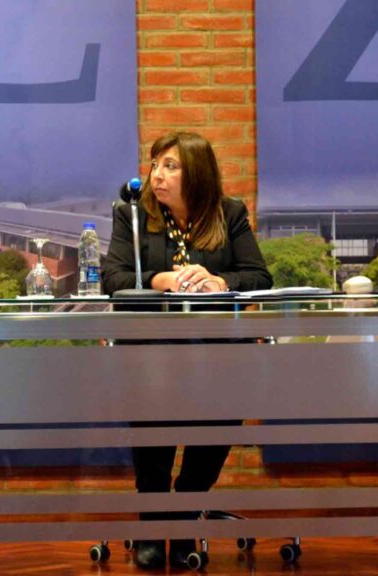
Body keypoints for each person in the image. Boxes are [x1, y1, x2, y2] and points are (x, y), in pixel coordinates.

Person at [102, 131, 272, 570]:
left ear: (196, 173)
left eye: (170, 166)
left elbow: (258, 276)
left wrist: (221, 281)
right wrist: (159, 280)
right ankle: (151, 526)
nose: (157, 175)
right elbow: (113, 279)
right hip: (151, 349)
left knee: (214, 434)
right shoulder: (132, 214)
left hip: (216, 352)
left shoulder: (229, 213)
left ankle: (184, 517)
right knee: (154, 443)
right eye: (155, 164)